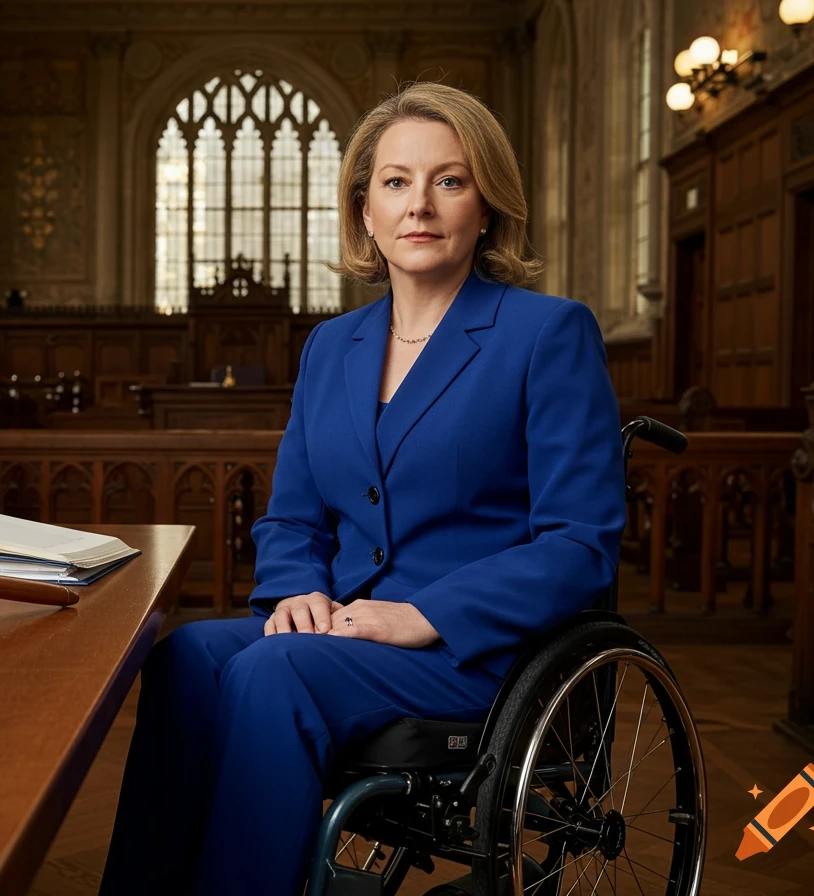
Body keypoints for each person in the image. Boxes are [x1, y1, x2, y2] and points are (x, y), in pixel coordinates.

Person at [98, 82, 627, 896]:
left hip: (475, 652)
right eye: (395, 182)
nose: (420, 204)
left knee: (269, 676)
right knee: (186, 659)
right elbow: (293, 515)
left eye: (449, 180)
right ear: (365, 212)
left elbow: (580, 544)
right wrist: (297, 588)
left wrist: (424, 614)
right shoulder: (331, 346)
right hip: (342, 622)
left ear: (486, 207)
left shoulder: (546, 333)